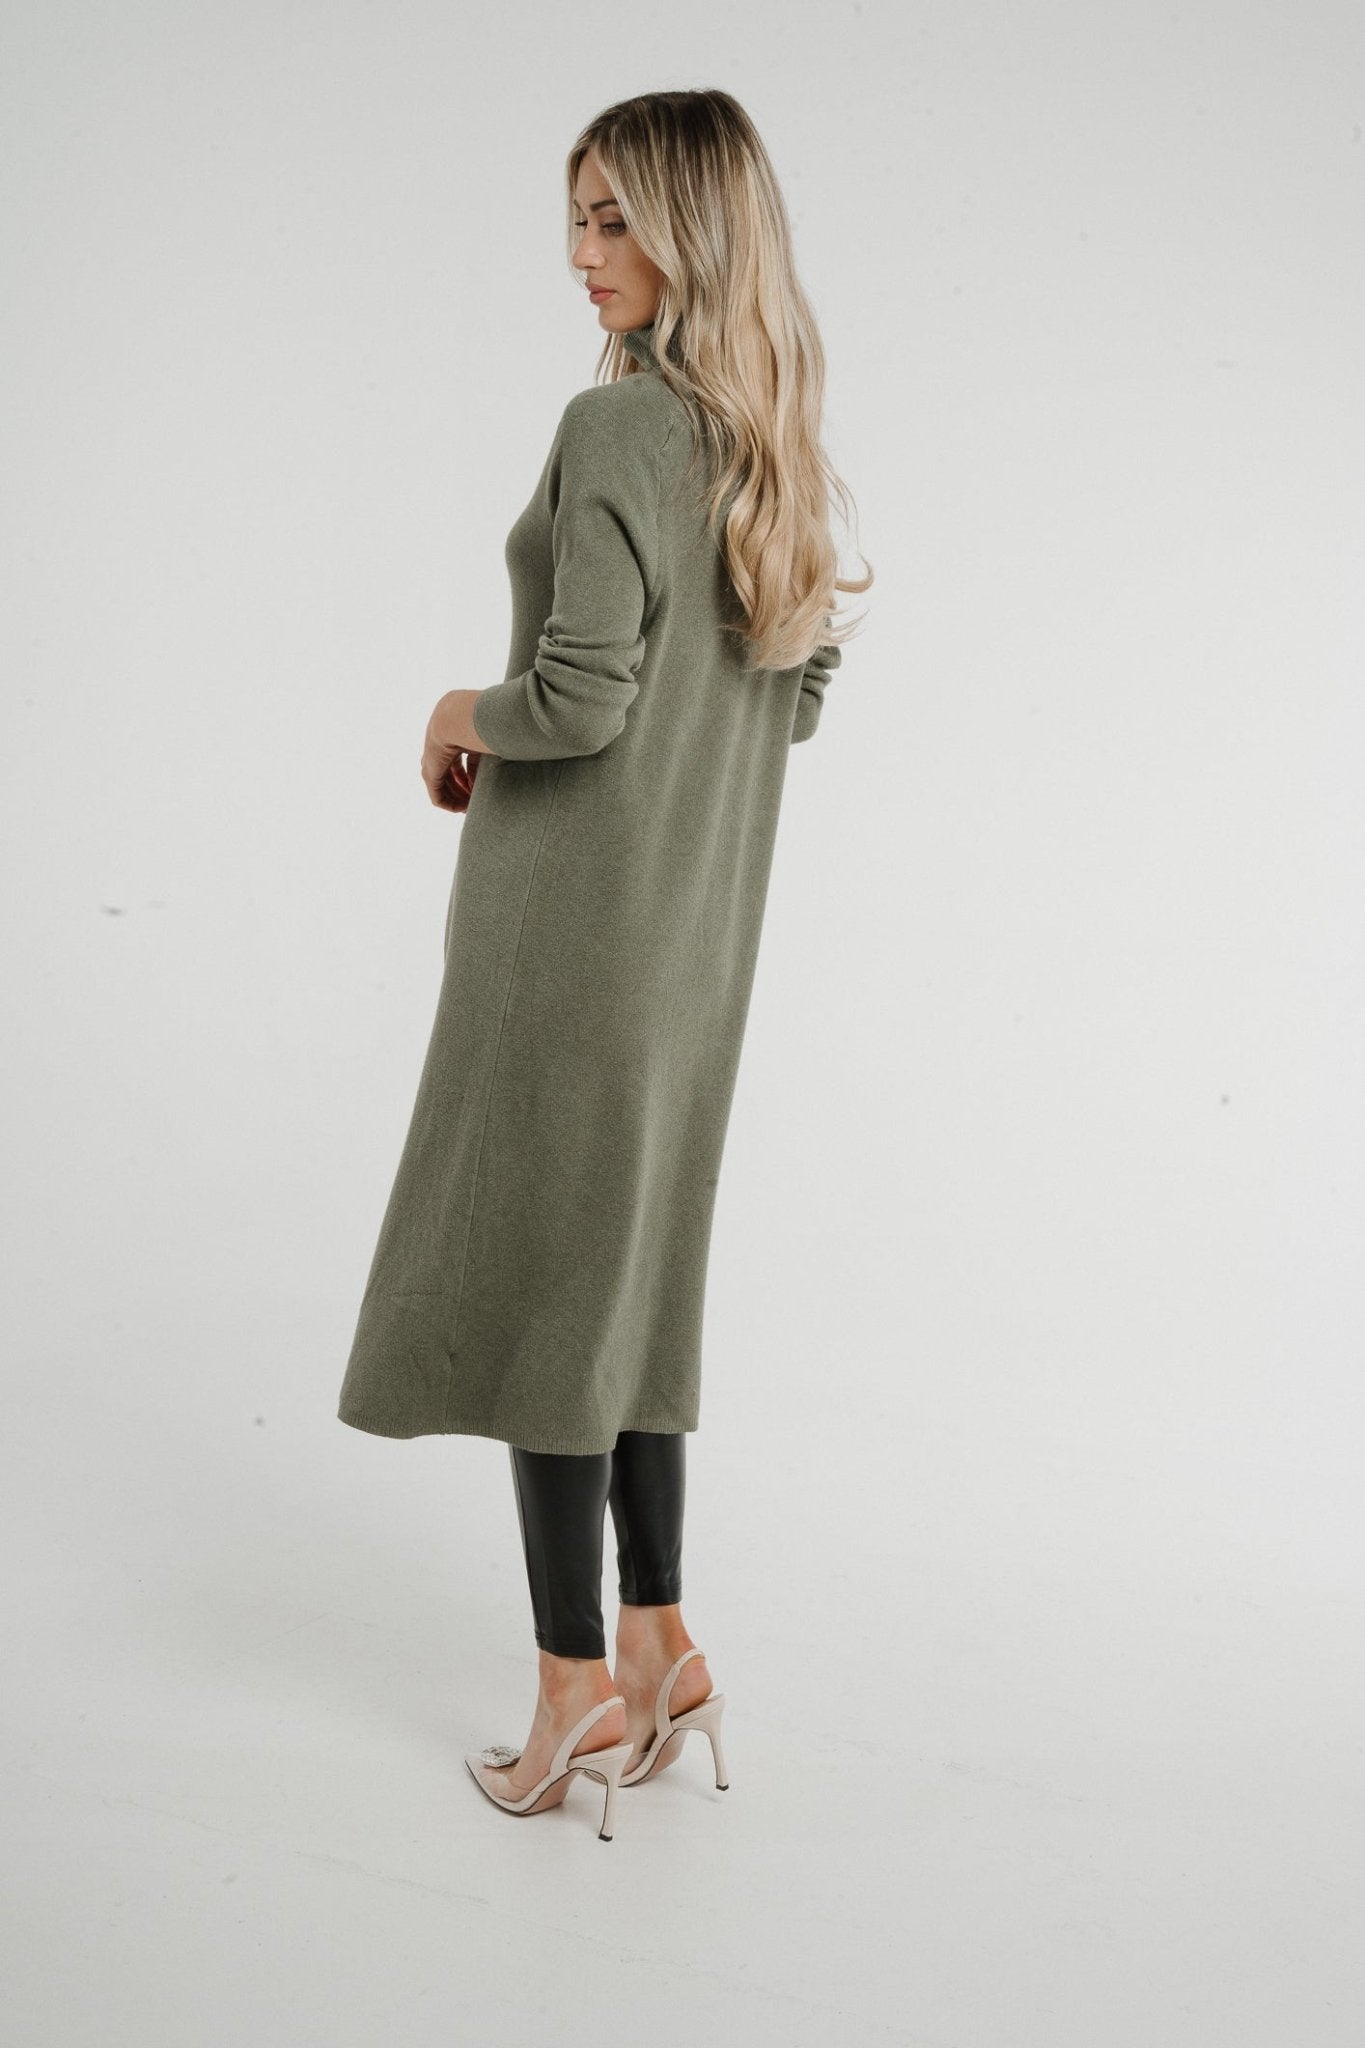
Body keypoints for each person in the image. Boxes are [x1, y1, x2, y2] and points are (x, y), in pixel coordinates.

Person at [336, 87, 871, 1838]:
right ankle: (660, 1642)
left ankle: (568, 1685)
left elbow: (576, 699)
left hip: (566, 936)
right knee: (630, 1286)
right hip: (694, 943)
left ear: (697, 230)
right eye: (575, 214)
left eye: (618, 217)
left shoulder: (619, 428)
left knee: (546, 1296)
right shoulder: (772, 445)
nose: (583, 252)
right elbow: (796, 694)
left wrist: (452, 708)